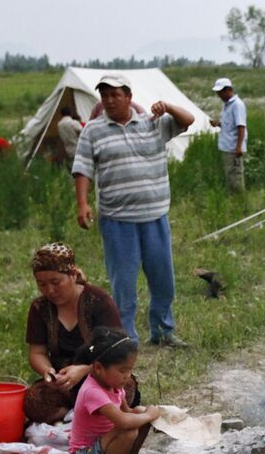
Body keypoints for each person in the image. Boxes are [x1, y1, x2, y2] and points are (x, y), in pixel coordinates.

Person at [73, 75, 194, 347]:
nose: (109, 100)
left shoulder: (153, 123)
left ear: (128, 97)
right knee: (123, 285)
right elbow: (82, 168)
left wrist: (168, 107)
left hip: (155, 216)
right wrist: (82, 203)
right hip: (117, 220)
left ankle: (162, 331)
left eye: (115, 95)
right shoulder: (93, 130)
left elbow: (188, 120)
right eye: (104, 95)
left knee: (163, 280)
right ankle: (125, 338)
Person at [23, 243, 136, 424]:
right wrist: (48, 371)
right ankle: (78, 415)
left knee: (124, 386)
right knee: (33, 401)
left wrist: (84, 370)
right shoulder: (39, 308)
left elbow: (118, 350)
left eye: (55, 282)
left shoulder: (99, 301)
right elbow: (37, 352)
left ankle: (83, 414)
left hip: (100, 376)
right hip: (63, 383)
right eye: (42, 284)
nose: (49, 290)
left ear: (73, 275)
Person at [68, 326, 160, 454]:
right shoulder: (92, 391)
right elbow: (123, 421)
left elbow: (128, 412)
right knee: (129, 429)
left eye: (130, 370)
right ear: (98, 368)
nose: (127, 376)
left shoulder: (115, 386)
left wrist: (145, 414)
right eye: (122, 370)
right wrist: (149, 414)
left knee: (139, 415)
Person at [208, 78, 247, 192]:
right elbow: (230, 125)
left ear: (228, 90)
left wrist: (239, 147)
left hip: (233, 147)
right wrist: (218, 124)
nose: (219, 95)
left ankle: (239, 198)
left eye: (220, 92)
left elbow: (241, 126)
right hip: (227, 146)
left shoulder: (237, 105)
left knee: (236, 175)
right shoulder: (227, 105)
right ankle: (233, 196)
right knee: (230, 175)